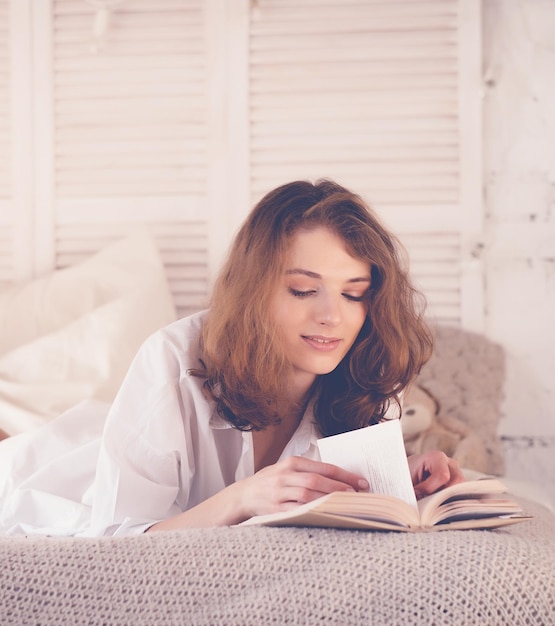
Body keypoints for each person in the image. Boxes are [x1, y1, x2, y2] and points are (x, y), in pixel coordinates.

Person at [0, 179, 464, 536]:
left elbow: (340, 498)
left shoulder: (370, 372)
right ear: (254, 290)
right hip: (54, 474)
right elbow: (119, 541)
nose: (332, 317)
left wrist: (399, 478)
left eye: (354, 294)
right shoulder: (172, 362)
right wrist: (243, 498)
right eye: (304, 290)